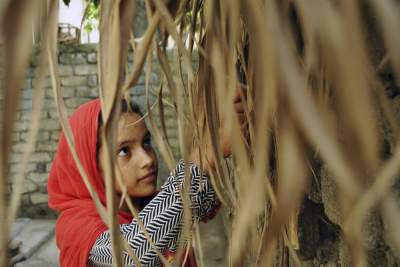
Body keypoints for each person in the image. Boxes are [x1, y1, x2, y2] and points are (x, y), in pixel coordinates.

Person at [47, 95, 244, 266]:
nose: (148, 160)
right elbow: (130, 254)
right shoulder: (75, 227)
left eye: (146, 142)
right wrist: (204, 156)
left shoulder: (149, 206)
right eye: (124, 151)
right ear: (88, 163)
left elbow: (209, 199)